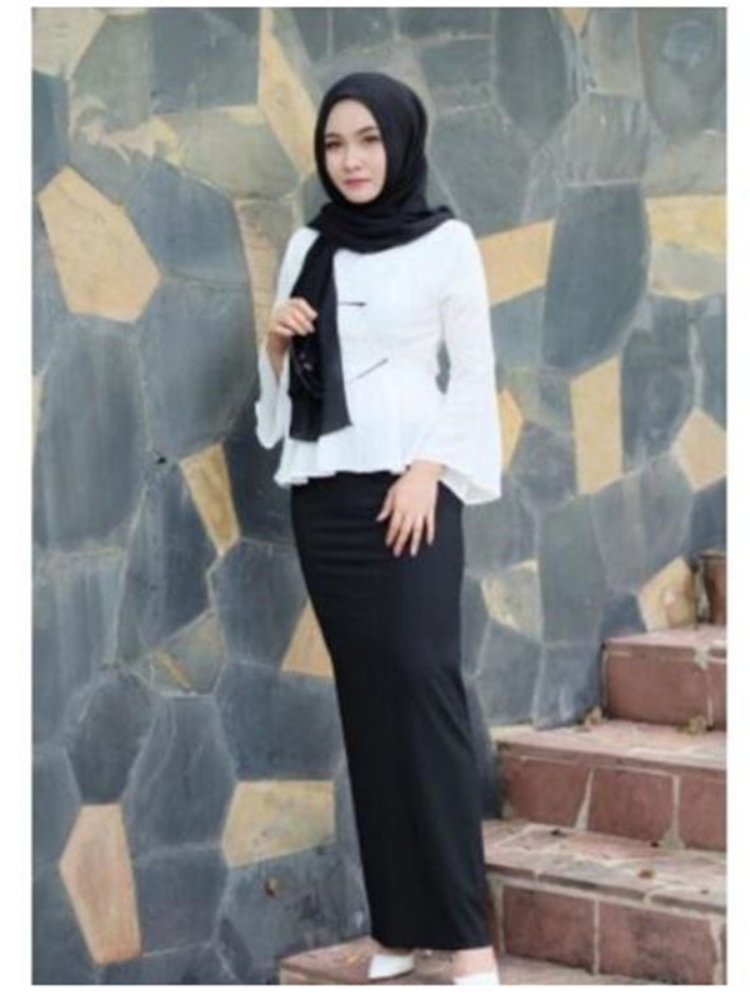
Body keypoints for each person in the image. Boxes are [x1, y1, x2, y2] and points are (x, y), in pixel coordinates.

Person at [254, 71, 502, 985]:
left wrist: (427, 471)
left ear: (399, 143)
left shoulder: (446, 243)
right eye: (334, 144)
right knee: (368, 704)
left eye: (367, 140)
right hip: (326, 501)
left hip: (413, 493)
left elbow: (471, 374)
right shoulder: (309, 244)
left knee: (425, 693)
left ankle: (468, 940)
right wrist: (276, 343)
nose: (351, 160)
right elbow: (285, 402)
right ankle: (399, 925)